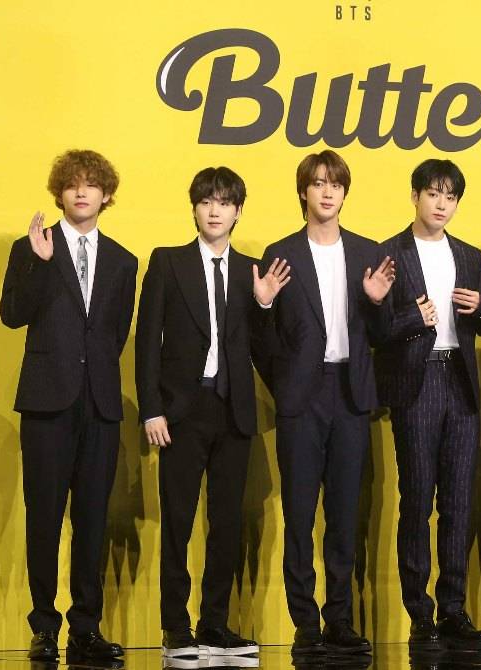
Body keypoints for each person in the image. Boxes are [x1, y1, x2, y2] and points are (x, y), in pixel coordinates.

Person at [136, 166, 289, 658]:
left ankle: (214, 624)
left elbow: (263, 350)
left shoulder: (251, 271)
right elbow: (146, 344)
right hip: (181, 410)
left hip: (235, 411)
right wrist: (152, 409)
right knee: (179, 522)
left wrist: (264, 304)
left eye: (224, 202)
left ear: (238, 211)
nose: (215, 210)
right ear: (195, 208)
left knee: (227, 523)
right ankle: (175, 625)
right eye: (206, 201)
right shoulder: (167, 262)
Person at [0, 149, 136, 662]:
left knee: (94, 519)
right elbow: (13, 314)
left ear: (106, 194)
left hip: (98, 404)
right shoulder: (32, 247)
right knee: (45, 517)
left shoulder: (124, 261)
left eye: (91, 184)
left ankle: (86, 625)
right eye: (72, 184)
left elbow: (115, 333)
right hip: (46, 404)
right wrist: (38, 266)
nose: (82, 192)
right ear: (59, 193)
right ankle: (43, 625)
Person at [258, 150, 395, 657]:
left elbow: (384, 335)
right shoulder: (281, 252)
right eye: (317, 183)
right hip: (301, 395)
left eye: (335, 184)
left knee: (344, 512)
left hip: (352, 393)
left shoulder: (367, 252)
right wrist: (266, 303)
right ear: (303, 192)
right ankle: (305, 622)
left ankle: (339, 616)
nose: (327, 192)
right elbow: (261, 337)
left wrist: (378, 302)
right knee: (298, 512)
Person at [375, 159, 481, 652]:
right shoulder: (388, 254)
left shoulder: (469, 256)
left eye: (450, 197)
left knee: (457, 501)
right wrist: (414, 317)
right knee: (417, 501)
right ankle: (419, 612)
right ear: (415, 196)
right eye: (433, 194)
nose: (441, 205)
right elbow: (376, 328)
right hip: (417, 382)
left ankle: (453, 609)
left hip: (461, 380)